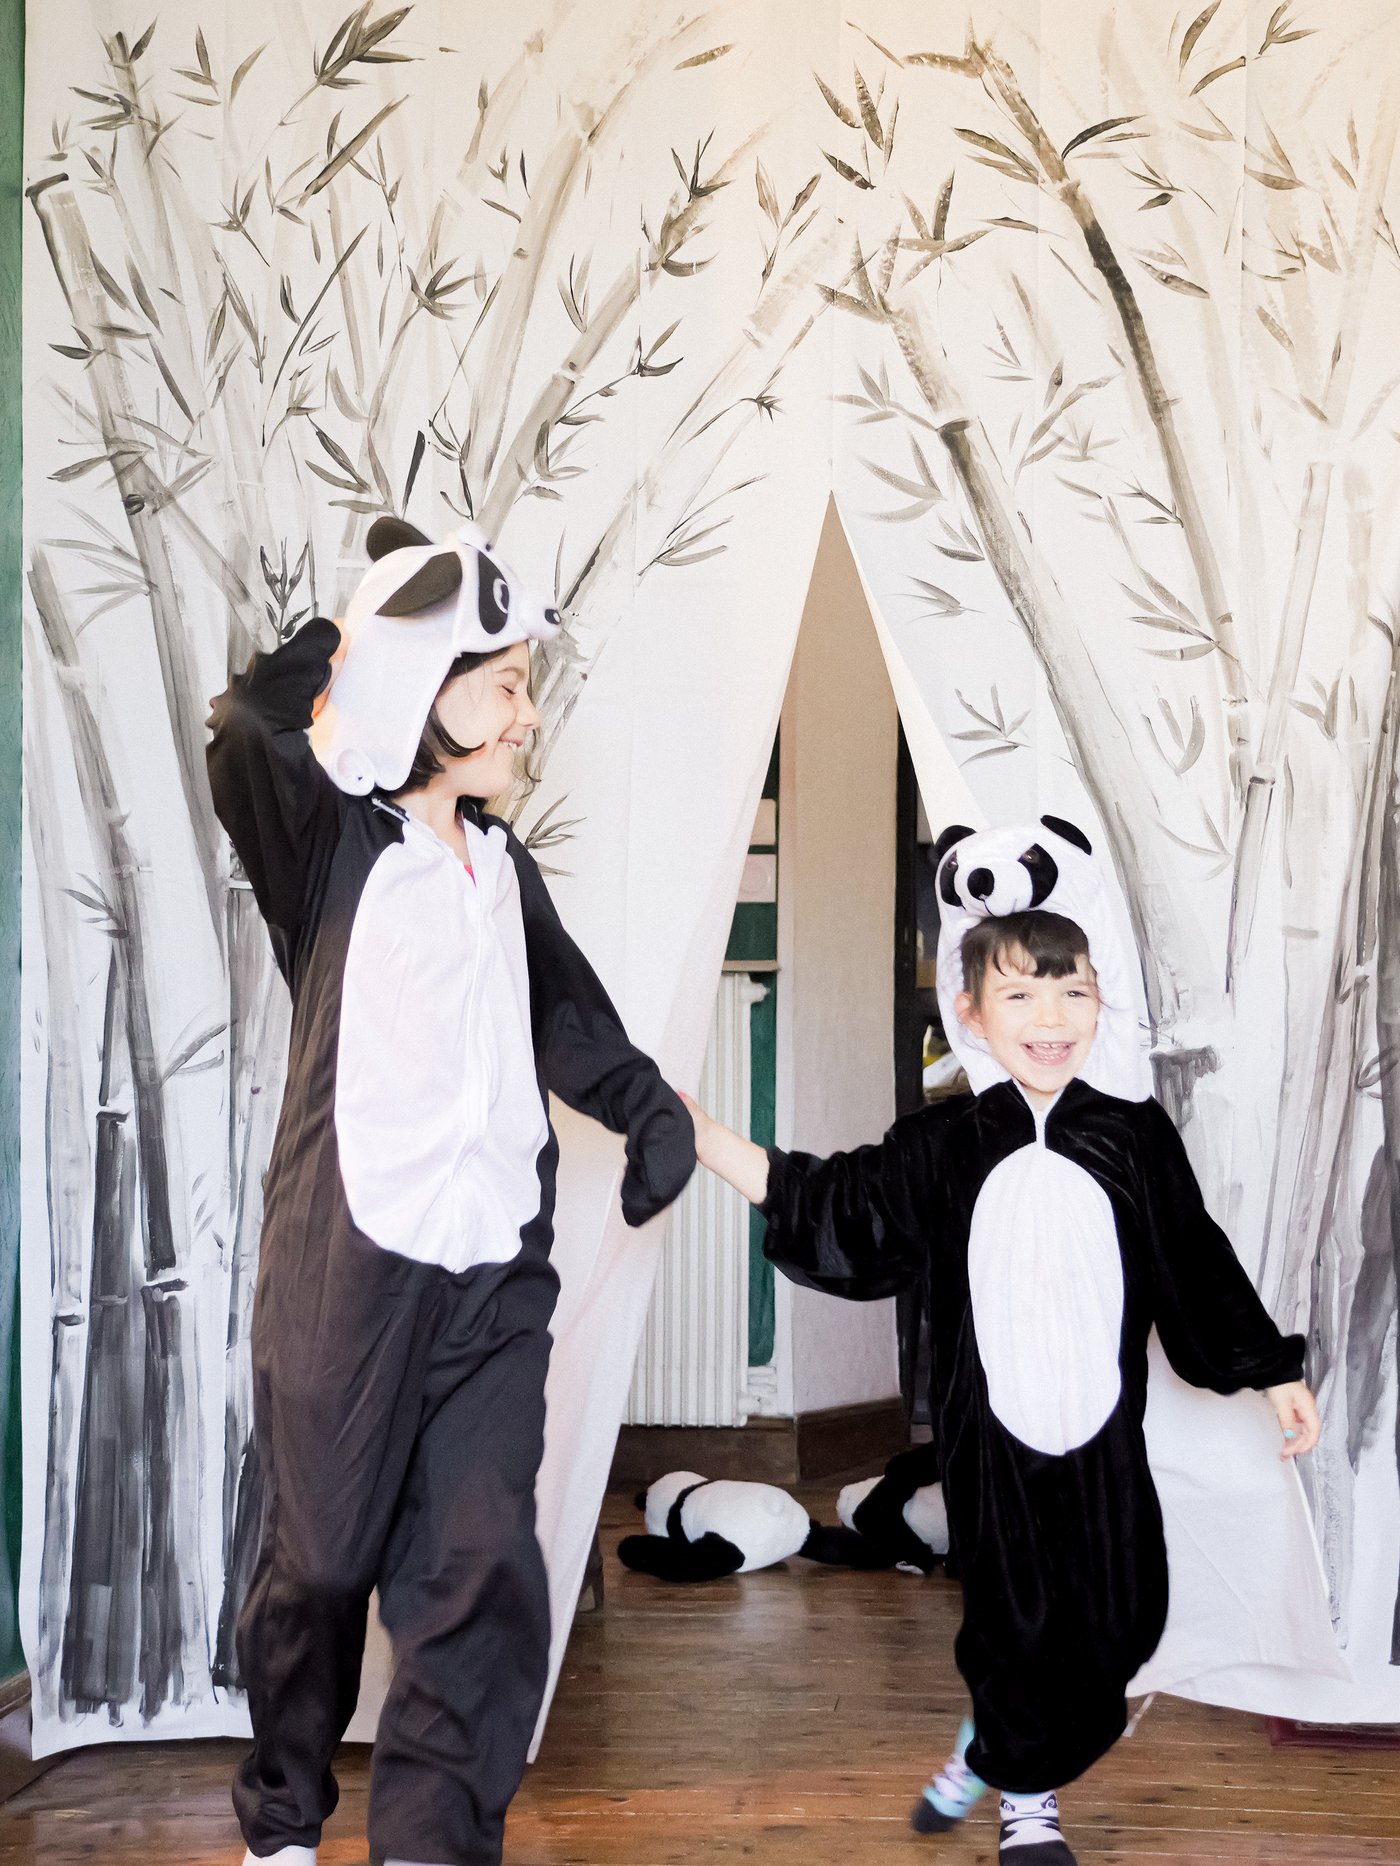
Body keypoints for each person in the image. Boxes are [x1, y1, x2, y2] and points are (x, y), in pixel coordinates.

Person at [683, 818, 1319, 1866]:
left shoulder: (1127, 1134)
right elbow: (839, 1207)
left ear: (1097, 1000)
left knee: (1119, 1622)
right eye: (1019, 994)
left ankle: (992, 1746)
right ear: (970, 1014)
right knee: (1014, 1624)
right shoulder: (943, 1147)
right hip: (992, 1443)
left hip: (1104, 1435)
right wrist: (707, 1139)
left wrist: (1268, 1373)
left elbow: (1191, 1262)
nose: (1049, 1016)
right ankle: (1024, 1798)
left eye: (1070, 990)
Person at [206, 517, 695, 1866]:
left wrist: (645, 1110)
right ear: (423, 692)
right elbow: (251, 721)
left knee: (483, 1564)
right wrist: (366, 641)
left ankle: (431, 1837)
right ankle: (284, 1824)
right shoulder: (328, 847)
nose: (530, 712)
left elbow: (569, 1017)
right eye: (505, 680)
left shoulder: (501, 870)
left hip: (493, 1277)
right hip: (347, 1271)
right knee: (315, 1563)